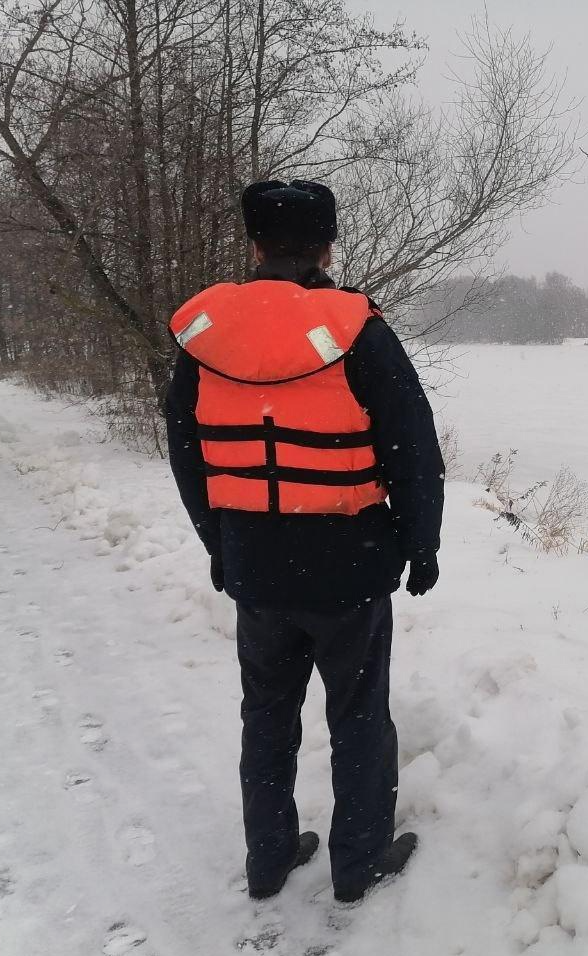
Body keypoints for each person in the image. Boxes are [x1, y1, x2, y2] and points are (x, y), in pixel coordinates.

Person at [164, 179, 444, 903]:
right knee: (357, 718)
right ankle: (359, 862)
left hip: (257, 567)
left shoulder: (205, 336)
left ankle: (270, 858)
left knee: (266, 717)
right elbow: (412, 445)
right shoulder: (358, 328)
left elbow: (188, 453)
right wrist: (422, 544)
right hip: (347, 568)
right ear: (327, 245)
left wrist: (220, 543)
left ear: (253, 244)